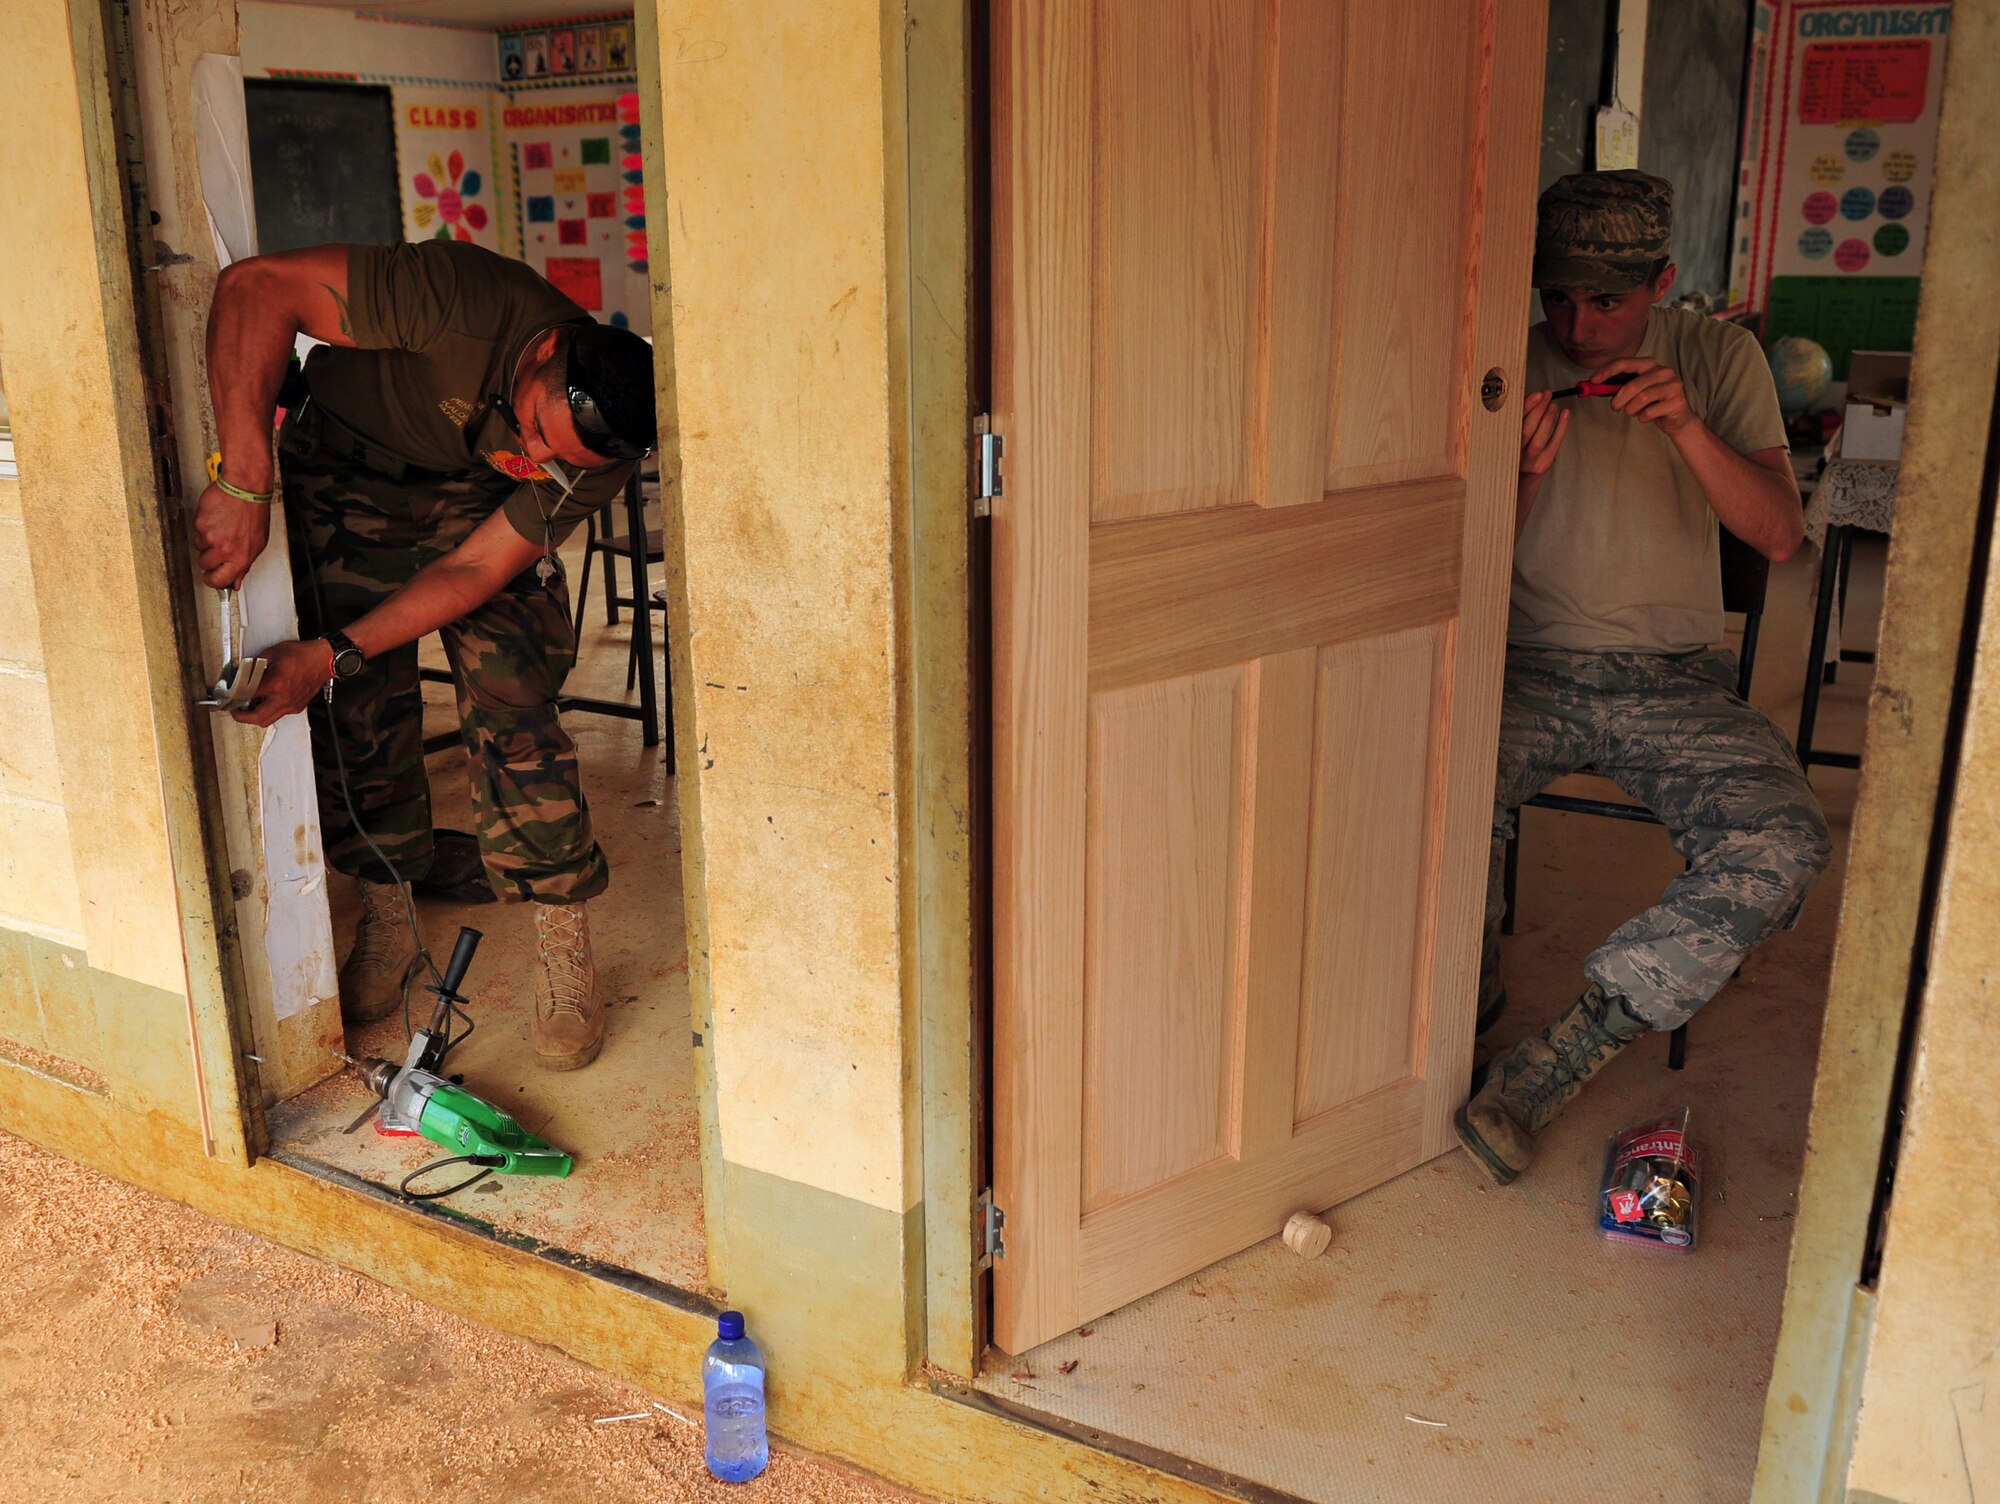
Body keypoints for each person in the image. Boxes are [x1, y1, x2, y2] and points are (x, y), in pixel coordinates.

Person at [193, 239, 658, 1072]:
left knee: (513, 690)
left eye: (563, 459)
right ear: (546, 352)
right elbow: (256, 287)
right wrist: (244, 478)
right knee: (359, 707)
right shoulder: (460, 300)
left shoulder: (593, 460)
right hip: (345, 467)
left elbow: (476, 567)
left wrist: (334, 649)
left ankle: (562, 936)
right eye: (542, 431)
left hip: (474, 505)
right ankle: (386, 910)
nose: (543, 457)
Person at [1456, 171, 1833, 1184]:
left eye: (1607, 301)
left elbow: (1779, 535)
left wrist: (1685, 430)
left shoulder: (1716, 355)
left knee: (1784, 838)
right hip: (1522, 664)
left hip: (1672, 679)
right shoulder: (1502, 357)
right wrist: (1522, 476)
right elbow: (1455, 577)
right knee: (1428, 780)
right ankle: (1462, 999)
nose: (1577, 326)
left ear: (1660, 281)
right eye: (1558, 298)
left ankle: (1560, 1054)